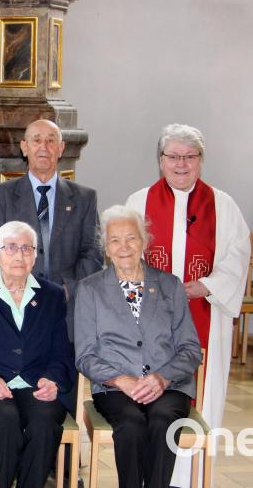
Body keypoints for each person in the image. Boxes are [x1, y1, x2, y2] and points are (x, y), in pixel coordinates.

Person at [125, 124, 249, 486]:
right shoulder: (138, 202)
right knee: (148, 402)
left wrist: (207, 286)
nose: (181, 164)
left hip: (203, 312)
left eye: (190, 157)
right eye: (173, 157)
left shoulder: (222, 206)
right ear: (160, 160)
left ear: (201, 160)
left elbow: (238, 256)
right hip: (148, 320)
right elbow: (122, 253)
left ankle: (190, 479)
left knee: (201, 401)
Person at [74, 205, 202, 488]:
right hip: (115, 388)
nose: (124, 247)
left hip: (167, 386)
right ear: (106, 248)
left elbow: (191, 348)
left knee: (162, 419)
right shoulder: (90, 289)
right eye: (115, 240)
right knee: (130, 426)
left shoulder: (170, 286)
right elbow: (84, 355)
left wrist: (162, 377)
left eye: (131, 238)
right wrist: (121, 380)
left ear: (144, 241)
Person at [0, 220, 76, 488]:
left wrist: (52, 379)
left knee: (44, 423)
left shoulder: (52, 295)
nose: (19, 255)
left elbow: (61, 352)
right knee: (6, 420)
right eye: (10, 248)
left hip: (36, 385)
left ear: (35, 255)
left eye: (26, 248)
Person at [0, 119, 103, 335]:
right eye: (36, 140)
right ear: (24, 147)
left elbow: (93, 253)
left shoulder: (85, 198)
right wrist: (15, 289)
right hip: (14, 308)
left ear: (61, 148)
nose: (43, 147)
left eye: (50, 140)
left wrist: (69, 289)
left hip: (67, 312)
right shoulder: (1, 196)